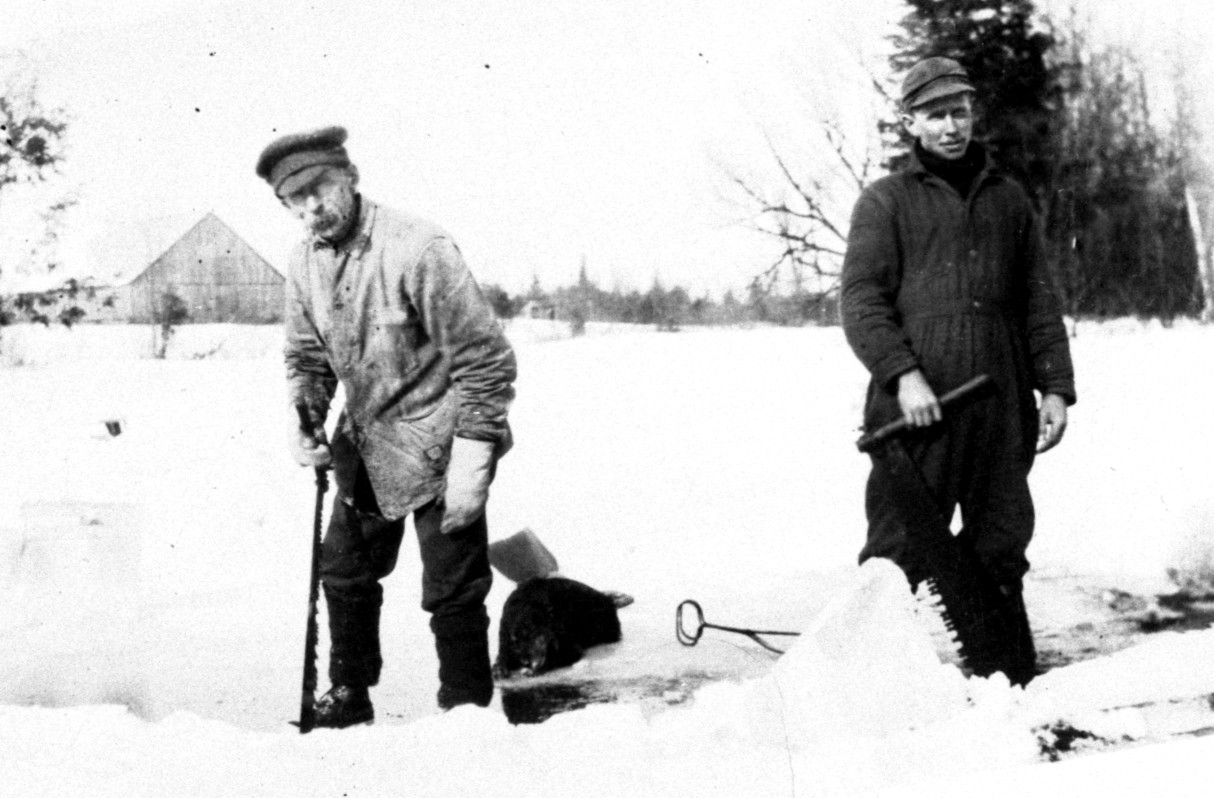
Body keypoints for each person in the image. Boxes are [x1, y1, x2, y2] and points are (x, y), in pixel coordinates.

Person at [256, 126, 517, 726]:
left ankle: (467, 709)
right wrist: (308, 416)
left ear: (348, 176)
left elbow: (486, 361)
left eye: (319, 188)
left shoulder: (417, 247)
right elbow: (307, 358)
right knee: (344, 571)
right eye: (294, 200)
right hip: (367, 442)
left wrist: (473, 461)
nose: (310, 207)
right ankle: (350, 694)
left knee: (452, 588)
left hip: (443, 439)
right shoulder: (304, 262)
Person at [840, 58, 1076, 680]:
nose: (951, 126)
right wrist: (903, 376)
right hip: (918, 414)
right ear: (910, 122)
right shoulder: (886, 202)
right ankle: (872, 687)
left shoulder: (1008, 199)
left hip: (1000, 410)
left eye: (960, 112)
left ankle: (1007, 677)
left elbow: (1038, 300)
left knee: (1001, 544)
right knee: (897, 551)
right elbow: (861, 301)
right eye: (936, 114)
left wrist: (1055, 388)